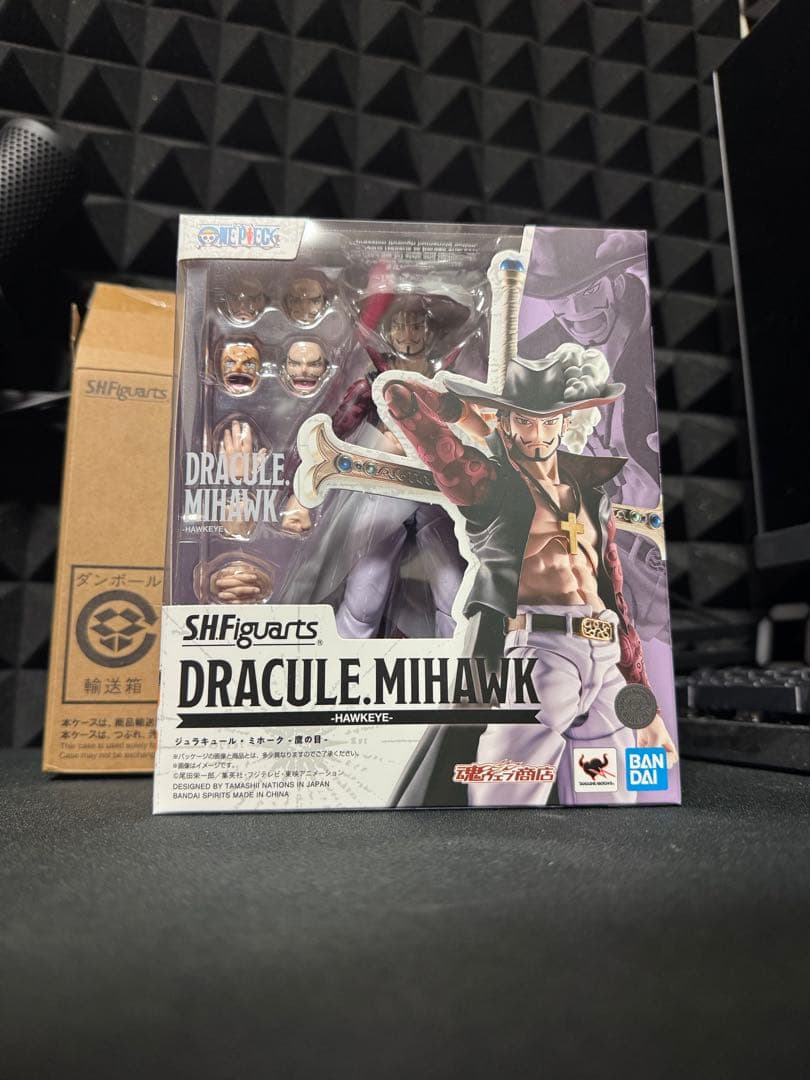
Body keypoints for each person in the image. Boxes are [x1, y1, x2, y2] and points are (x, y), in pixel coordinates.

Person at [381, 344, 678, 805]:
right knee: (505, 795)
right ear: (507, 422)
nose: (538, 434)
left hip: (605, 655)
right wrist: (463, 412)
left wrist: (646, 708)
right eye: (525, 420)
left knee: (614, 803)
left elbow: (617, 600)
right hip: (542, 652)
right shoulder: (491, 487)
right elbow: (417, 419)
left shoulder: (592, 498)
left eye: (548, 421)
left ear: (564, 422)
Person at [280, 286, 479, 639]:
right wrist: (300, 496)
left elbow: (480, 436)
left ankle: (455, 662)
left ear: (430, 333)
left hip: (437, 496)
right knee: (365, 596)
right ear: (387, 333)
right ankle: (342, 655)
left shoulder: (447, 389)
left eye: (416, 326)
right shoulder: (371, 387)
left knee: (454, 592)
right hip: (384, 489)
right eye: (399, 327)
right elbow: (332, 432)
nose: (408, 336)